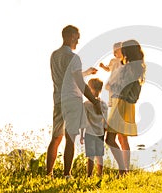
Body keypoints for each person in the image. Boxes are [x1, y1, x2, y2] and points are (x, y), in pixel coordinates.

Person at [47, 25, 101, 178]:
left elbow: (68, 77)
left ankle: (48, 173)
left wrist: (87, 72)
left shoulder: (54, 55)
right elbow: (80, 84)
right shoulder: (74, 58)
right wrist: (94, 101)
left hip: (58, 100)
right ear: (71, 36)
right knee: (70, 138)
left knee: (56, 138)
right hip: (72, 100)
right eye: (77, 36)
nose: (78, 40)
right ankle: (66, 174)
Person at [105, 39, 146, 176]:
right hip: (124, 104)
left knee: (109, 139)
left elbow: (124, 88)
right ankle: (123, 170)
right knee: (119, 138)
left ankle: (123, 170)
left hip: (120, 103)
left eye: (123, 48)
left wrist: (113, 86)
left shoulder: (129, 68)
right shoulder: (135, 67)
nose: (121, 51)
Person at [80, 78, 108, 178]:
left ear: (89, 89)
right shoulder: (104, 105)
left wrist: (81, 135)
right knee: (99, 156)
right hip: (100, 133)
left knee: (90, 157)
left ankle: (89, 175)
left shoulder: (86, 105)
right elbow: (106, 123)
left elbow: (83, 121)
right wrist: (104, 134)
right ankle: (100, 175)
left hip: (89, 133)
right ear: (100, 90)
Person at [99, 42, 123, 107]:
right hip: (113, 80)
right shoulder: (113, 61)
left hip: (120, 80)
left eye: (117, 50)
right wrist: (103, 66)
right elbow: (108, 69)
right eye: (114, 51)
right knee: (111, 92)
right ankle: (112, 104)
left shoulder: (124, 60)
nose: (115, 53)